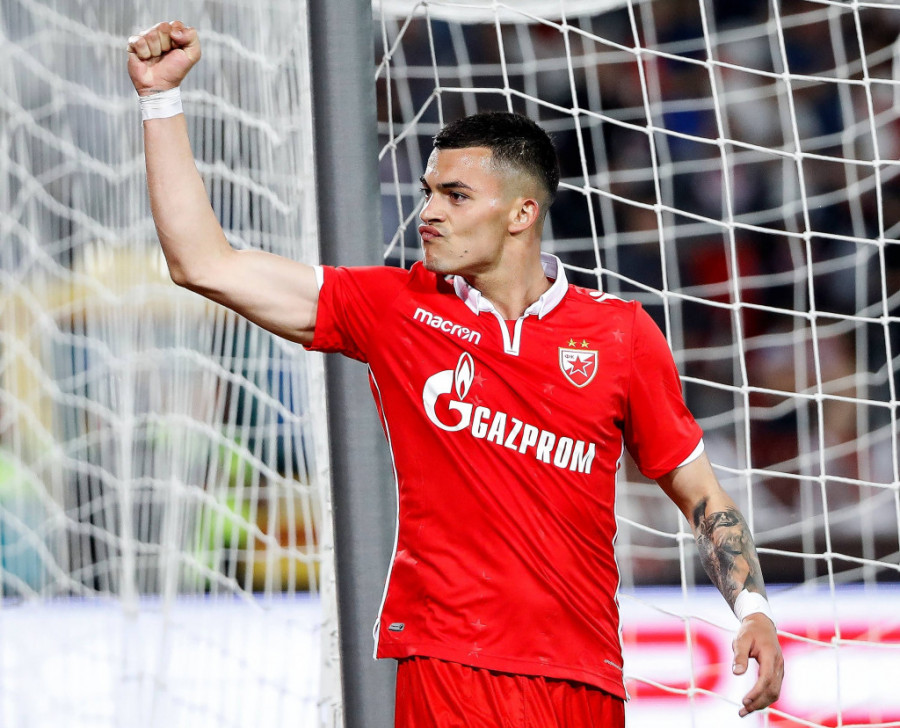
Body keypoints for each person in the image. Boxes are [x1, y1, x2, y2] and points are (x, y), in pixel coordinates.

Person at [127, 21, 783, 726]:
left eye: (456, 196)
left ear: (522, 213)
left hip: (583, 679)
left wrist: (753, 607)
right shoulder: (396, 308)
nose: (429, 213)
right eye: (428, 191)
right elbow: (204, 263)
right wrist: (160, 101)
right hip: (448, 667)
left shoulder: (619, 335)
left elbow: (700, 493)